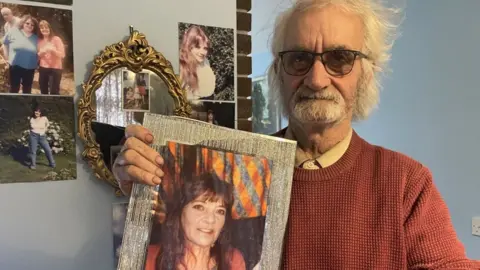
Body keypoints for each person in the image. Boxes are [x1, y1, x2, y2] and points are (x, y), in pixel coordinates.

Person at [111, 0, 480, 268]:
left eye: (339, 58)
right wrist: (139, 188)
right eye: (299, 59)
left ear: (366, 73)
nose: (317, 79)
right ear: (279, 73)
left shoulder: (407, 184)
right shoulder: (241, 171)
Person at [145, 172, 246, 270]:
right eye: (199, 207)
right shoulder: (148, 258)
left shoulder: (232, 260)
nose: (211, 219)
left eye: (220, 211)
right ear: (180, 212)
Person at [2, 15, 39, 94]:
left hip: (30, 68)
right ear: (23, 23)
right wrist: (6, 57)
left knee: (27, 89)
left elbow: (39, 51)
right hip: (15, 66)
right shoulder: (13, 31)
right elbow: (5, 44)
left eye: (32, 25)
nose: (30, 26)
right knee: (14, 88)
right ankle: (12, 104)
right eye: (27, 23)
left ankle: (25, 104)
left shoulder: (36, 38)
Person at [179, 25, 216, 100]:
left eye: (205, 48)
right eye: (198, 47)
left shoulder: (205, 62)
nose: (202, 52)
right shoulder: (181, 66)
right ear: (189, 46)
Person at [37, 20, 66, 95]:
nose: (44, 29)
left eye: (46, 27)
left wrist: (53, 50)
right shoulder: (39, 41)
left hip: (55, 69)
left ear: (50, 28)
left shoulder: (56, 39)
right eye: (42, 28)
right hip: (43, 68)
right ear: (40, 30)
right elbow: (38, 57)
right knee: (43, 91)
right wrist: (42, 52)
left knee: (54, 92)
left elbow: (62, 55)